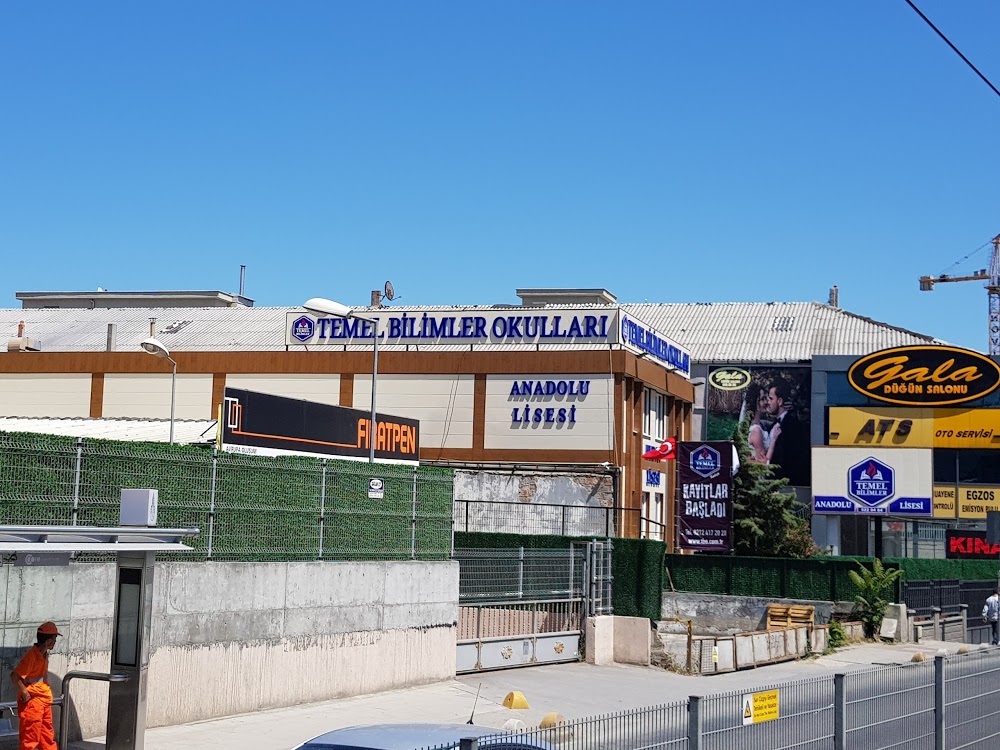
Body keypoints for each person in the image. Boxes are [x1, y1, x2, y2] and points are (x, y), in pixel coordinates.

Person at [10, 621, 61, 750]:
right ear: (49, 641)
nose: (55, 642)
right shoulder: (31, 656)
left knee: (47, 737)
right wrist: (26, 694)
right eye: (54, 639)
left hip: (43, 699)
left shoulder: (43, 653)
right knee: (30, 740)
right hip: (33, 702)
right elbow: (15, 676)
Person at [765, 381, 809, 487]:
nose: (768, 403)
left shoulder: (792, 426)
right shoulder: (773, 425)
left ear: (780, 401)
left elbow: (790, 458)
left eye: (771, 399)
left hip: (785, 484)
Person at [745, 384, 775, 464]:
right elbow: (762, 462)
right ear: (756, 403)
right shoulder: (757, 431)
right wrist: (773, 442)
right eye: (762, 399)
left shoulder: (759, 424)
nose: (766, 402)